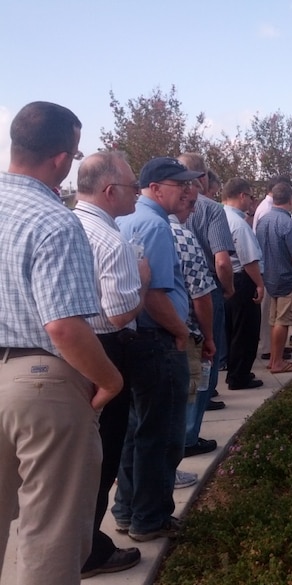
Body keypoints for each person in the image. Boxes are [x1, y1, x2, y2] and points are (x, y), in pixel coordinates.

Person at [0, 101, 123, 585]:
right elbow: (63, 327)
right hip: (40, 384)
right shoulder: (53, 220)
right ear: (60, 158)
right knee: (49, 532)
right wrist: (109, 379)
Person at [112, 157, 202, 542]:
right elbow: (154, 294)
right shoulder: (154, 224)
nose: (185, 190)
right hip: (157, 339)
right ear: (154, 187)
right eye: (177, 183)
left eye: (187, 184)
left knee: (136, 431)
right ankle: (150, 518)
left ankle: (128, 510)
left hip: (135, 341)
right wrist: (180, 331)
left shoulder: (126, 219)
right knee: (162, 434)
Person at [74, 151, 150, 578]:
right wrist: (142, 278)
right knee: (103, 456)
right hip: (106, 346)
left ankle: (81, 542)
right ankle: (89, 550)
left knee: (81, 457)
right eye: (131, 186)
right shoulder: (112, 240)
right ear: (109, 191)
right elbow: (120, 313)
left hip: (71, 350)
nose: (136, 193)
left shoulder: (68, 223)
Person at [179, 154, 233, 453]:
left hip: (171, 293)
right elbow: (222, 261)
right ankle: (189, 435)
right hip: (205, 288)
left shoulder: (161, 212)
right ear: (202, 178)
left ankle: (180, 432)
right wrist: (226, 289)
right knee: (206, 358)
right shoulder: (212, 209)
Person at [168, 186, 218, 460]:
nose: (194, 209)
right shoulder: (183, 237)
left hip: (146, 333)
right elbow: (201, 295)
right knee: (188, 391)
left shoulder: (129, 226)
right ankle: (186, 440)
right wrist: (208, 336)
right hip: (184, 330)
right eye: (190, 203)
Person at [255, 181, 292, 374]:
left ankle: (273, 359)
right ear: (291, 200)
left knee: (274, 319)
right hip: (287, 279)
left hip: (269, 277)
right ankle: (277, 362)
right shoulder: (289, 224)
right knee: (283, 321)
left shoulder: (262, 220)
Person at [221, 178, 266, 389]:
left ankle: (235, 372)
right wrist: (259, 284)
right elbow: (248, 258)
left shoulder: (220, 216)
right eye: (250, 197)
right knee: (246, 330)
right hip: (243, 279)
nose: (251, 201)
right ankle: (240, 376)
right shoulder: (238, 223)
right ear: (242, 196)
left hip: (230, 278)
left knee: (234, 329)